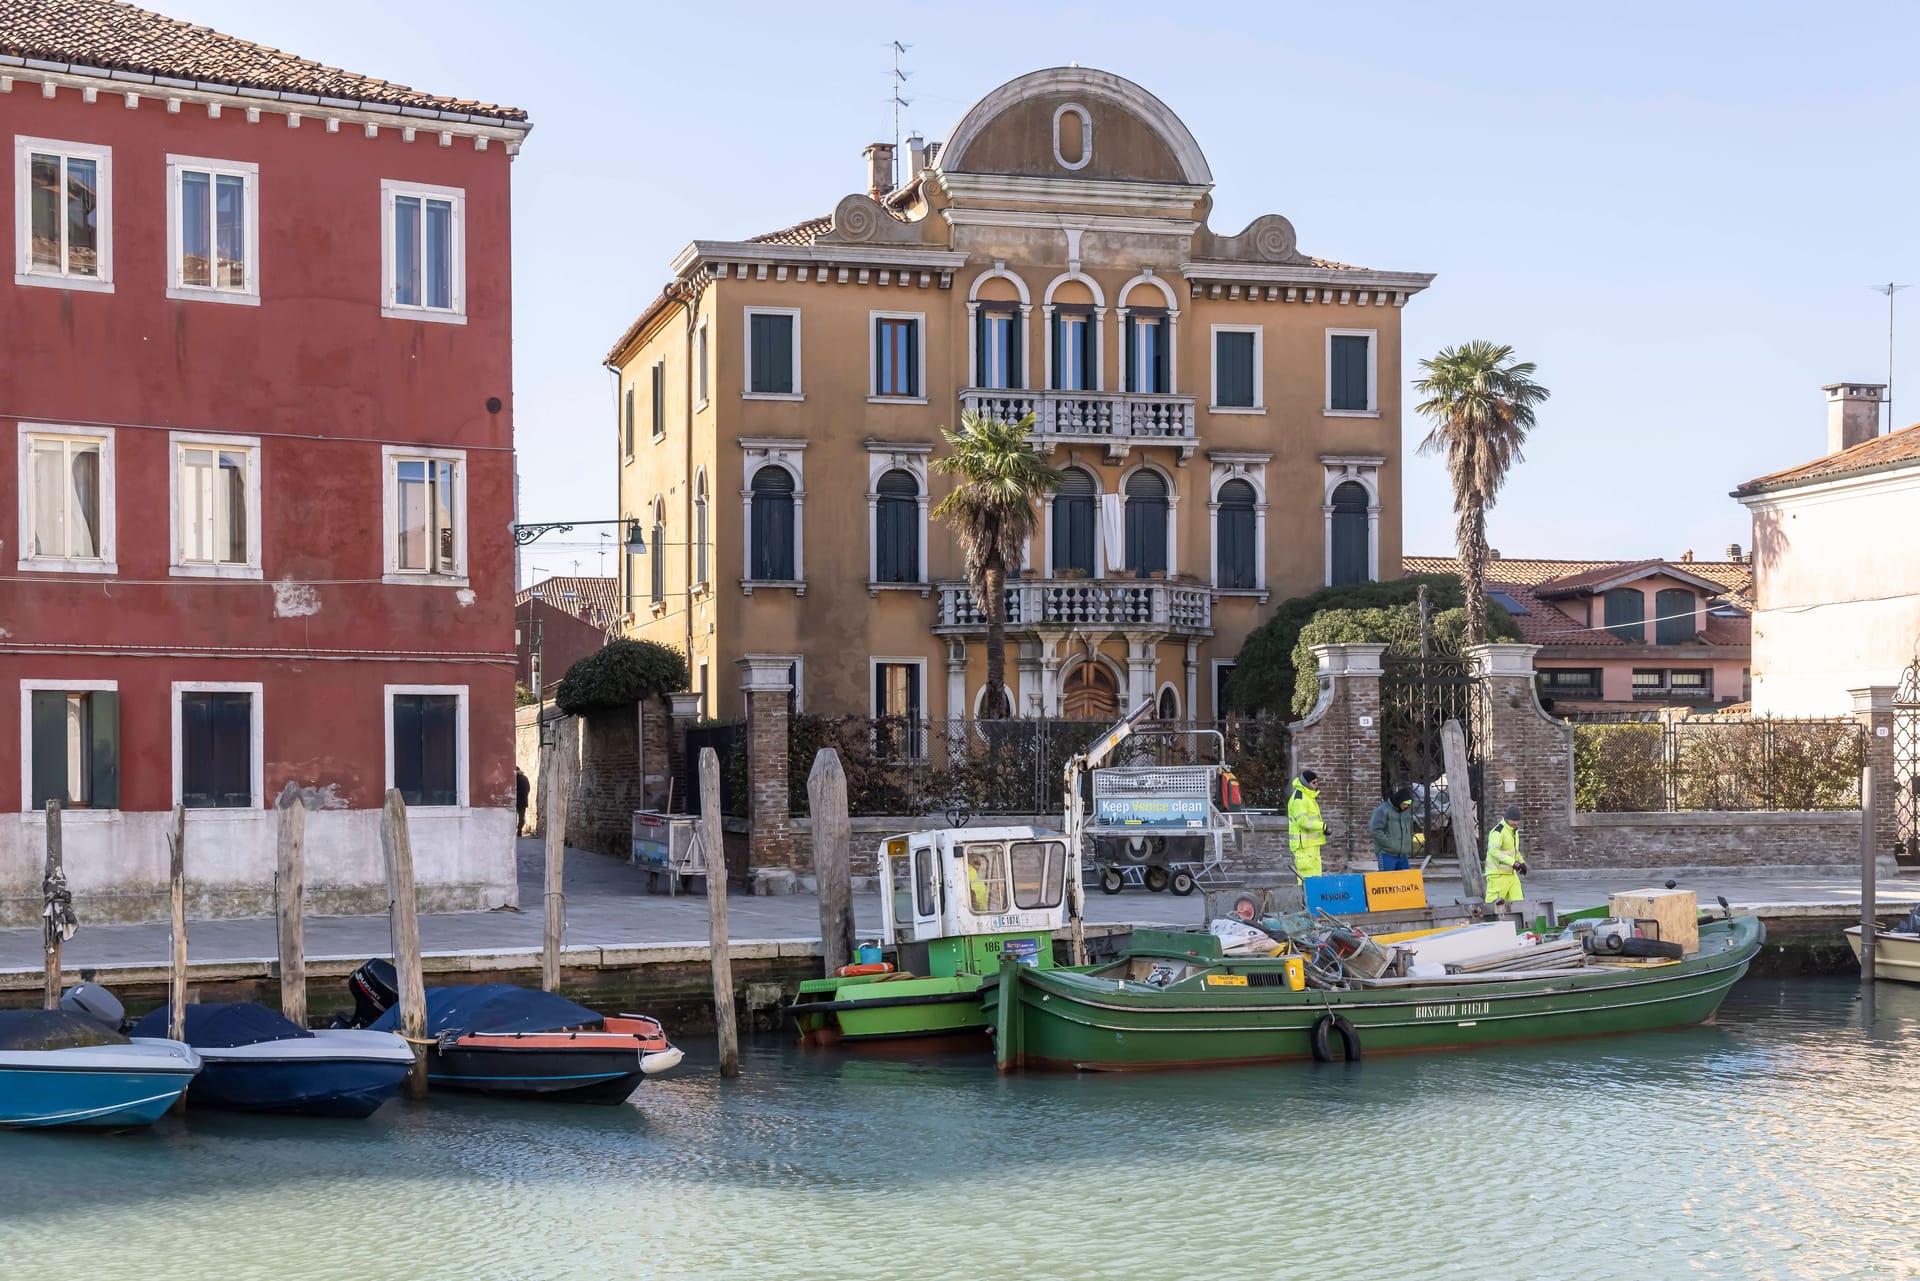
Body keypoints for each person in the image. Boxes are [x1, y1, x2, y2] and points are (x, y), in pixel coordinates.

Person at [1287, 770, 1327, 880]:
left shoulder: (1307, 797)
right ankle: (1303, 898)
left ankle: (1310, 897)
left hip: (1310, 845)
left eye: (1317, 782)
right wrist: (1322, 826)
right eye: (1314, 783)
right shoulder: (1299, 799)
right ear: (1306, 783)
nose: (1316, 785)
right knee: (1307, 880)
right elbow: (1303, 822)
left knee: (1315, 879)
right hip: (1303, 846)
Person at [1484, 805, 1528, 904]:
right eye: (1513, 822)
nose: (1515, 824)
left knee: (1518, 903)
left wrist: (1521, 862)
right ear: (1507, 819)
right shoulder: (1498, 831)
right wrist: (1513, 863)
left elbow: (1514, 850)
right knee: (1494, 906)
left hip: (1511, 875)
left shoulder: (1513, 831)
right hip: (1497, 875)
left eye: (1517, 822)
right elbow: (1493, 851)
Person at [1369, 786, 1418, 872]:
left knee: (1404, 881)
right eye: (1405, 803)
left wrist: (1408, 840)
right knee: (1387, 881)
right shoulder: (1383, 810)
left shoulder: (1406, 812)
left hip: (1402, 854)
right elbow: (1375, 830)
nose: (1406, 806)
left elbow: (1410, 827)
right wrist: (1389, 843)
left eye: (1409, 803)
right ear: (1399, 800)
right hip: (1386, 853)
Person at [514, 768, 531, 836]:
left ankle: (513, 831)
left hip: (515, 800)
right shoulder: (525, 778)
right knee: (521, 817)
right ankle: (519, 831)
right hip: (523, 800)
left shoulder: (514, 779)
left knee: (513, 817)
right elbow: (528, 788)